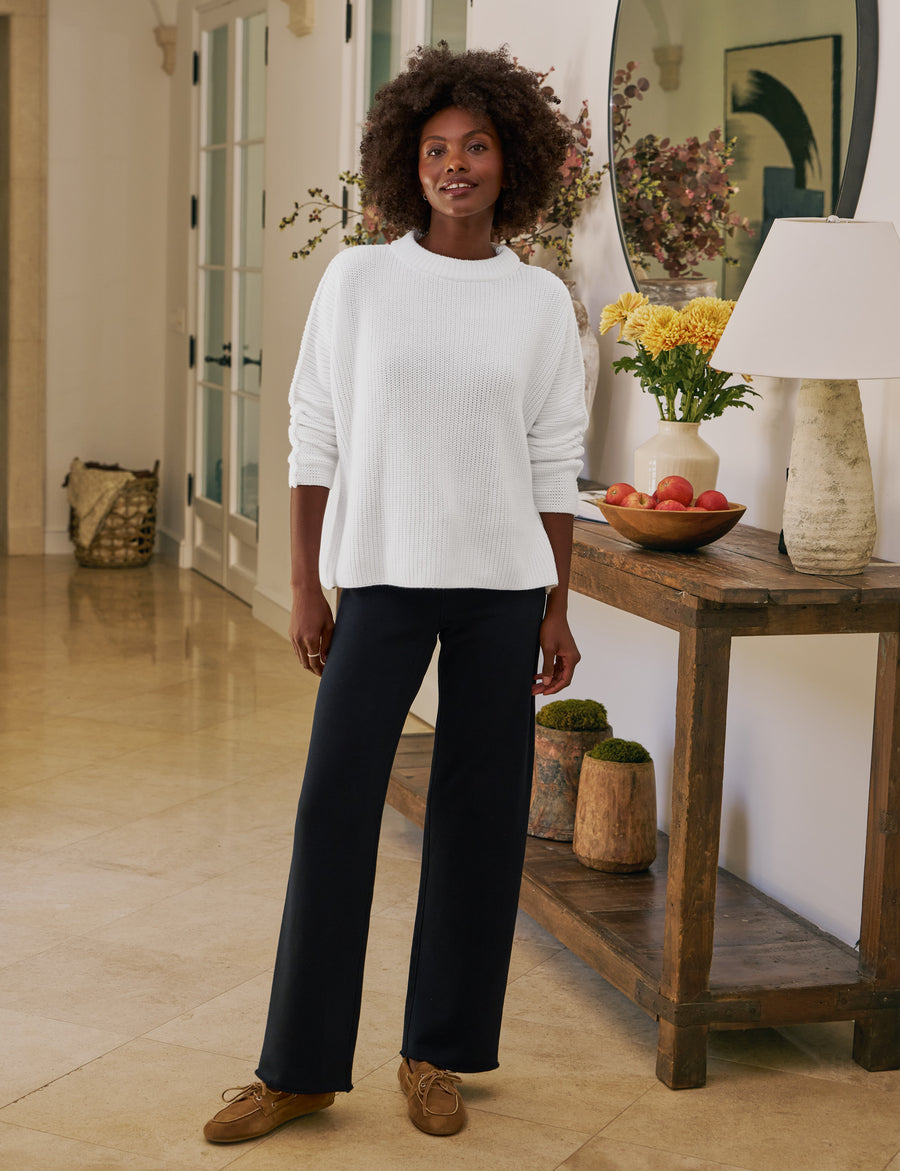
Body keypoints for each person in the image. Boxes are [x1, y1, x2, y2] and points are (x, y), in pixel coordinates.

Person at [203, 42, 588, 1145]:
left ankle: (439, 1052)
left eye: (475, 147)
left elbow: (553, 459)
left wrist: (558, 606)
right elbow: (312, 433)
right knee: (333, 809)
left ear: (511, 161)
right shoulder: (360, 280)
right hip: (378, 579)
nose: (455, 165)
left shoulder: (538, 302)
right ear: (404, 163)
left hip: (503, 590)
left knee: (480, 823)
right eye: (435, 148)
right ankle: (299, 1067)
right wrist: (305, 584)